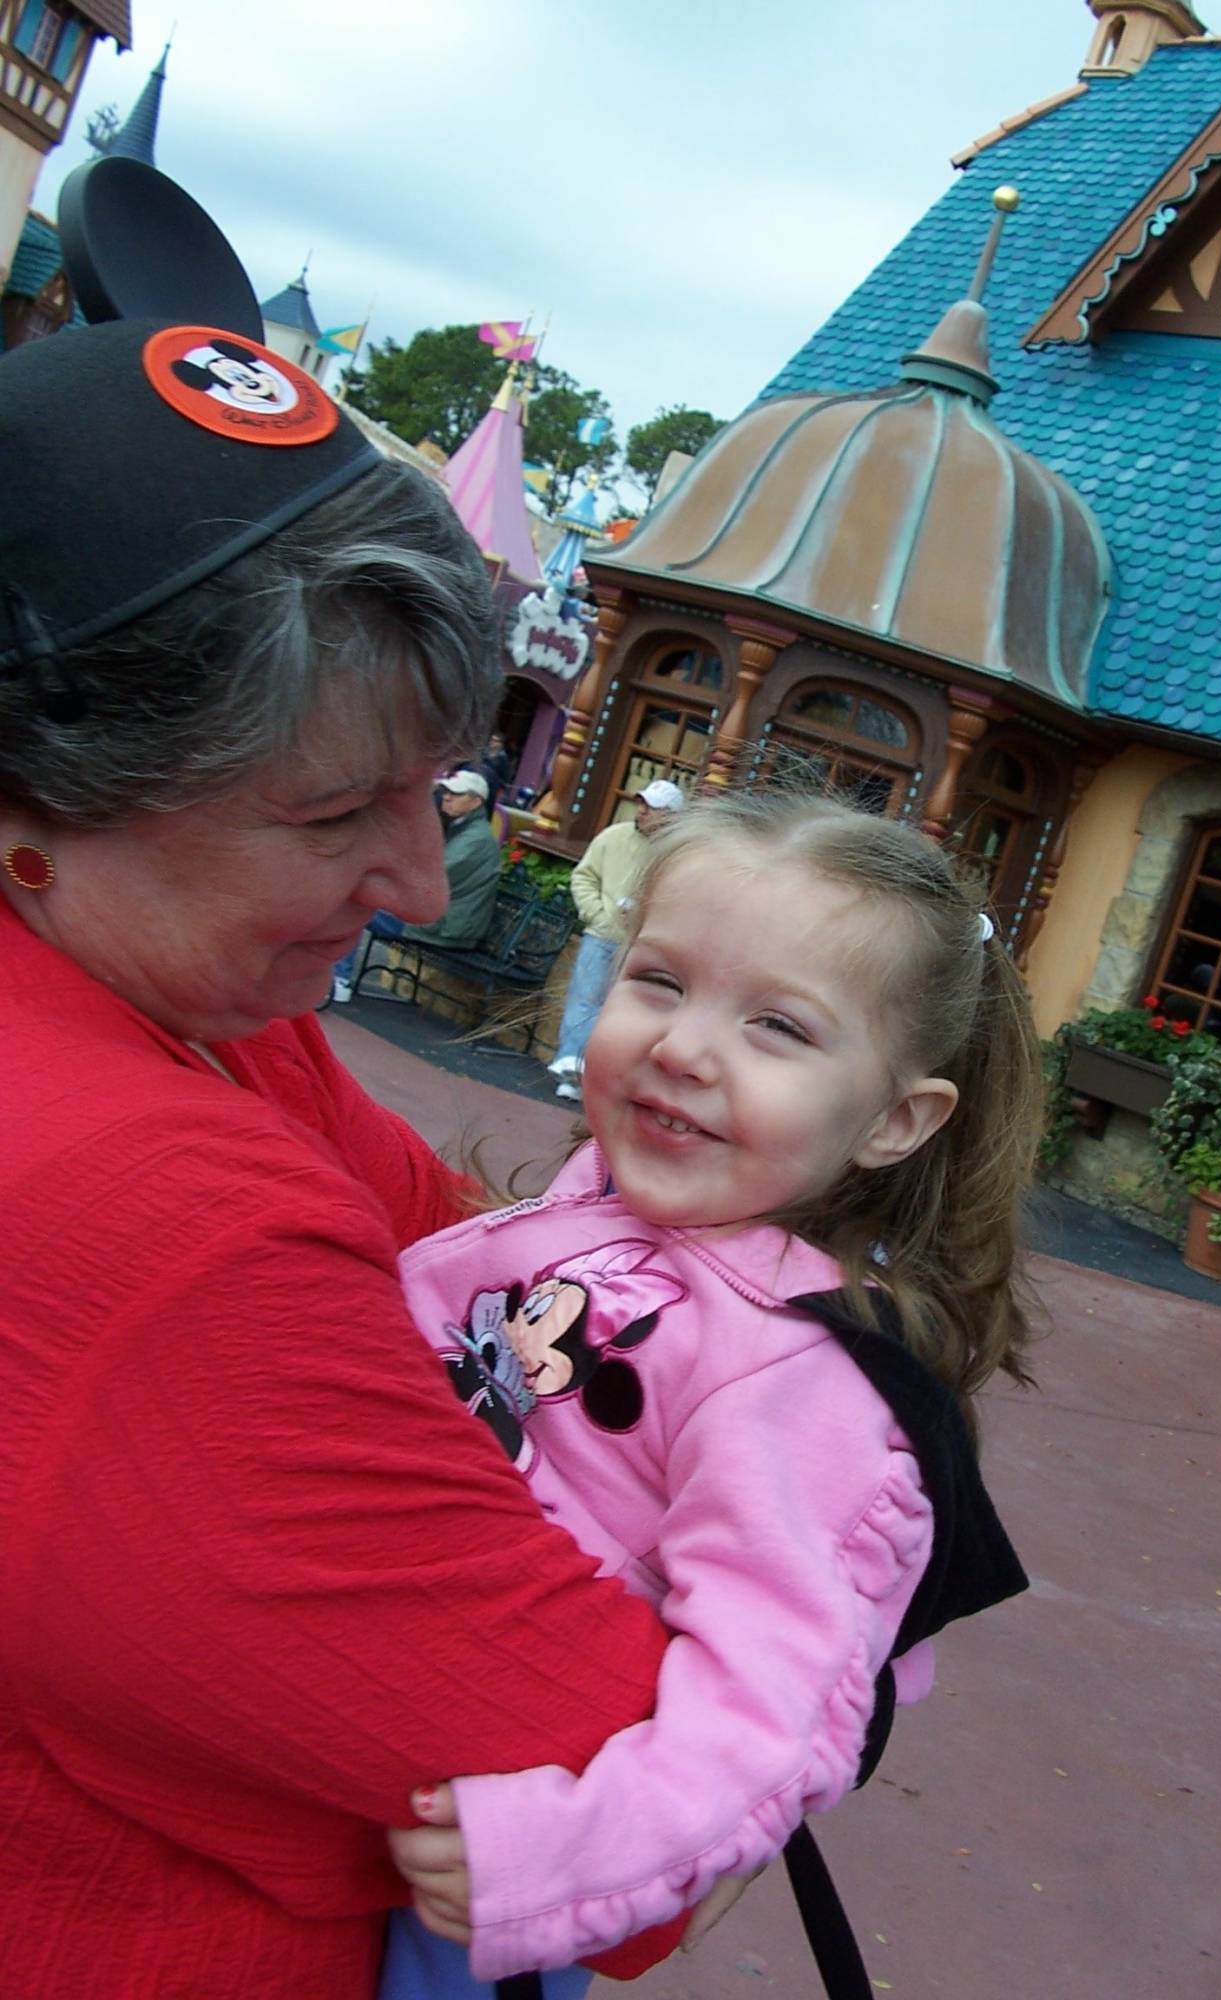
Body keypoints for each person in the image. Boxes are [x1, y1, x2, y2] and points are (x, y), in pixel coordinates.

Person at [0, 301, 723, 1997]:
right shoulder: (162, 1230)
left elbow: (481, 1250)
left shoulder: (203, 1020)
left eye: (435, 788)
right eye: (332, 816)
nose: (415, 881)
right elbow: (645, 1830)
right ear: (32, 812)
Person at [376, 789, 1037, 1993]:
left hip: (476, 1859)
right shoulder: (588, 1206)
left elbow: (765, 1710)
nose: (684, 1044)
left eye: (777, 1025)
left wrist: (564, 1858)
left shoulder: (801, 1381)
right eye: (661, 980)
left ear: (896, 1118)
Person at [547, 777, 685, 1100]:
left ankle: (600, 1077)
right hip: (603, 934)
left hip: (641, 944)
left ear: (671, 816)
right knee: (584, 1000)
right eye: (642, 804)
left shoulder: (675, 855)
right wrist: (596, 913)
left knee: (623, 1010)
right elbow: (584, 876)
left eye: (652, 808)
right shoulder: (613, 837)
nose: (643, 812)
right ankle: (571, 1067)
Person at [330, 769, 500, 1001]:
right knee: (357, 901)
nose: (447, 797)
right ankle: (335, 976)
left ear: (476, 801)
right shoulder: (461, 828)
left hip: (444, 927)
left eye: (457, 794)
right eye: (447, 791)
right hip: (438, 919)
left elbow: (429, 877)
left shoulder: (476, 839)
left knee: (357, 907)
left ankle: (339, 980)